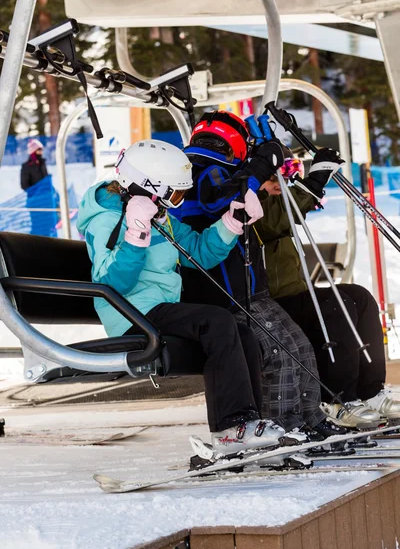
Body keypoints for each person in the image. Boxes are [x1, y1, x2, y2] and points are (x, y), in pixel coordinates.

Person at [77, 138, 285, 456]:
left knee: (241, 331)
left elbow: (197, 253)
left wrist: (232, 222)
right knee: (216, 321)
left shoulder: (157, 213)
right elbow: (113, 283)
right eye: (173, 194)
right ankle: (232, 427)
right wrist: (135, 234)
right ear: (148, 185)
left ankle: (248, 423)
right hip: (131, 314)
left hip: (159, 309)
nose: (175, 202)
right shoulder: (107, 219)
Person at [173, 110, 348, 439]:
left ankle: (308, 417)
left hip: (249, 289)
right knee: (278, 356)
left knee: (300, 347)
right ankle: (283, 425)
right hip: (225, 294)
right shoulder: (200, 170)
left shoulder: (215, 169)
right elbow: (220, 199)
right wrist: (261, 163)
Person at [255, 147, 400, 427]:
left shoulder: (275, 202)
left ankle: (369, 391)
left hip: (293, 293)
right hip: (267, 303)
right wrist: (312, 184)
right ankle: (338, 398)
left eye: (285, 176)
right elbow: (275, 220)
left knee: (359, 297)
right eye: (272, 177)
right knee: (335, 306)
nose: (278, 183)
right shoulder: (250, 206)